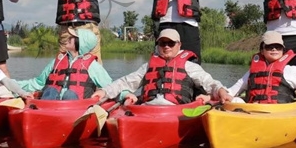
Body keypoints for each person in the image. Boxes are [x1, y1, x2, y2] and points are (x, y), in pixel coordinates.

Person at [95, 28, 224, 105]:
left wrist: (220, 91)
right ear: (158, 45)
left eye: (171, 43)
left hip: (176, 110)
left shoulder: (189, 66)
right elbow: (126, 82)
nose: (166, 46)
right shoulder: (148, 66)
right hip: (148, 109)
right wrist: (105, 91)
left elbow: (209, 82)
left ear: (179, 45)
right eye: (163, 43)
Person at [216, 31, 296, 104]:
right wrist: (220, 93)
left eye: (278, 47)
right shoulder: (252, 71)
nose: (274, 49)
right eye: (270, 47)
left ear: (283, 50)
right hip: (254, 111)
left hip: (279, 113)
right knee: (235, 101)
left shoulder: (291, 71)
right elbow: (232, 91)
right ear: (262, 50)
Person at [17, 28, 112, 100]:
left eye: (73, 37)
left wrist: (124, 95)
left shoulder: (92, 66)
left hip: (75, 108)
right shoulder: (57, 62)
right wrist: (13, 84)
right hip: (49, 105)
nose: (68, 38)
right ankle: (42, 115)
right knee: (50, 91)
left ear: (82, 42)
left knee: (69, 94)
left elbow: (110, 86)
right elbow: (38, 83)